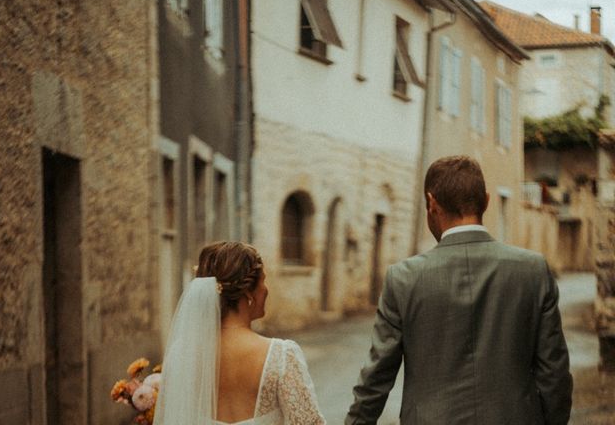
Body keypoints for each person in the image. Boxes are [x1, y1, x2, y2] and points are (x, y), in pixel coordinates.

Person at [346, 155, 573, 425]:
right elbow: (554, 375)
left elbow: (376, 379)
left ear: (431, 203)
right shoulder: (533, 270)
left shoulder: (403, 279)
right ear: (487, 201)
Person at [154, 241, 326, 425]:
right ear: (248, 292)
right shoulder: (281, 356)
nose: (266, 289)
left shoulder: (181, 354)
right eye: (263, 280)